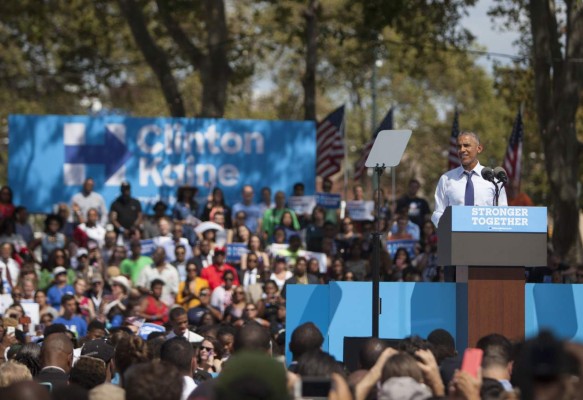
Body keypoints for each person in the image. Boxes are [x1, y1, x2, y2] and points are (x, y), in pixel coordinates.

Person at [432, 131, 507, 226]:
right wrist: (446, 226)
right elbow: (438, 213)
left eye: (466, 145)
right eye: (459, 146)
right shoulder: (446, 179)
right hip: (456, 237)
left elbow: (504, 212)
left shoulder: (493, 178)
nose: (462, 150)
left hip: (486, 237)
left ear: (479, 148)